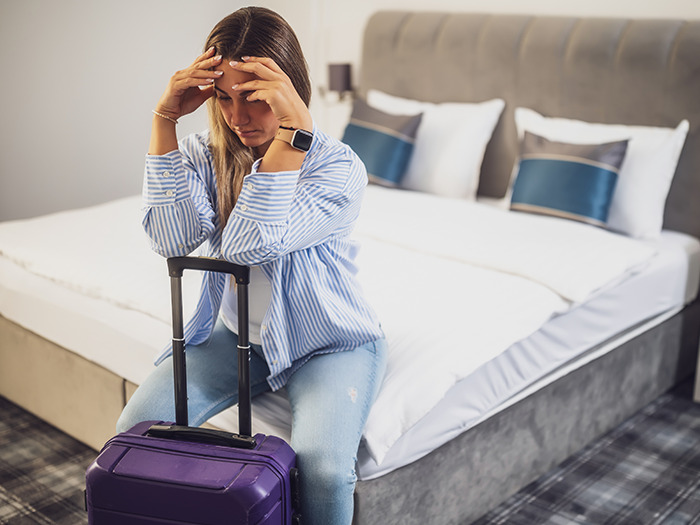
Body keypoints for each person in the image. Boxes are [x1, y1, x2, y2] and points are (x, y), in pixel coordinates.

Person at [116, 6, 387, 525]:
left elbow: (247, 246)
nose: (237, 117)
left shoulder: (338, 168)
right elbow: (170, 238)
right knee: (136, 434)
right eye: (223, 97)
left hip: (329, 341)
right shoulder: (203, 153)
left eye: (255, 99)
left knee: (325, 472)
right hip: (233, 335)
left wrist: (291, 138)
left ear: (290, 91)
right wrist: (164, 120)